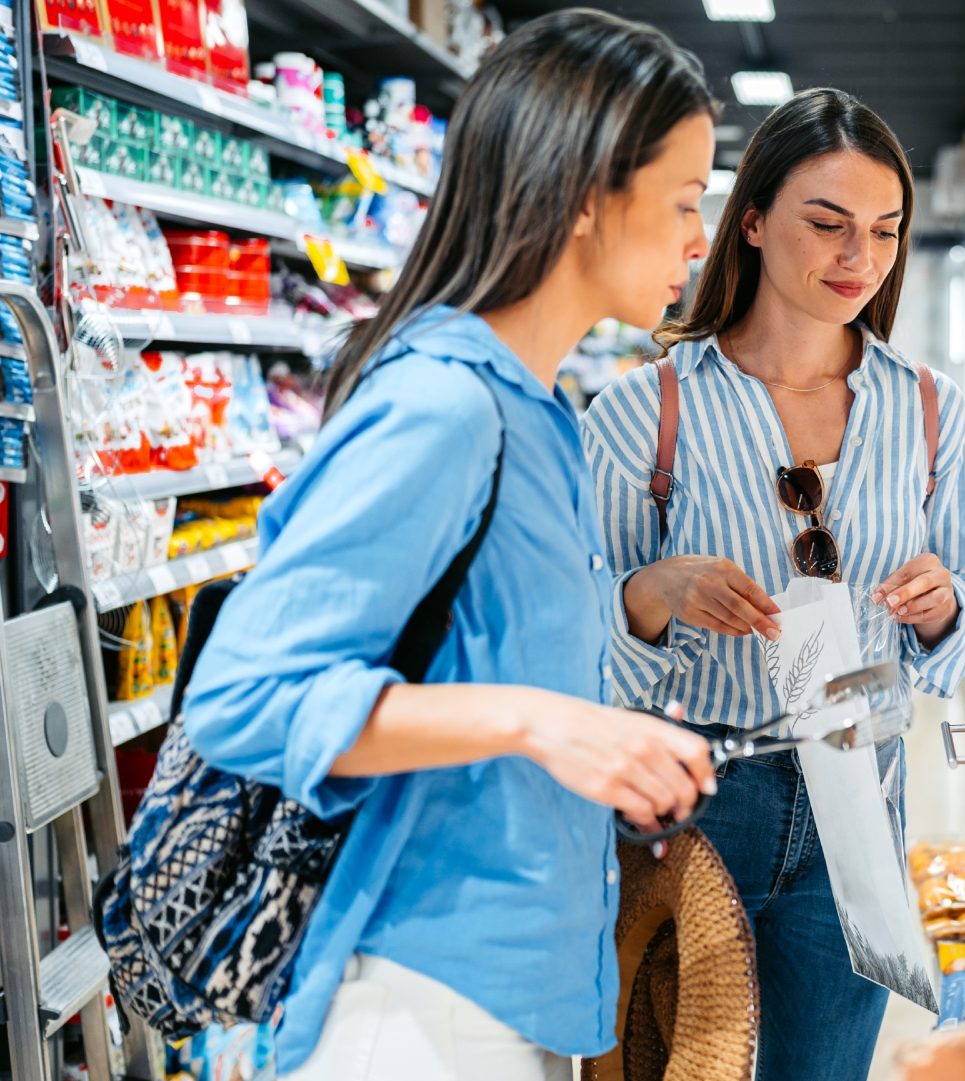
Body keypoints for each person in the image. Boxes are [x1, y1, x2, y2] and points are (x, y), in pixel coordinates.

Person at [180, 11, 719, 1079]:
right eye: (686, 203)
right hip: (413, 1012)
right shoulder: (444, 409)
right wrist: (537, 724)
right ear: (583, 197)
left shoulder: (536, 412)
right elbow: (242, 696)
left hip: (500, 996)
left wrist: (602, 746)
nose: (699, 240)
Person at [583, 87, 965, 1080]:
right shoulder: (645, 414)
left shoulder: (933, 414)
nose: (861, 257)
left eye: (886, 231)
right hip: (696, 804)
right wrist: (653, 592)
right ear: (752, 220)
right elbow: (570, 654)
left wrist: (947, 612)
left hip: (861, 795)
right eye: (829, 222)